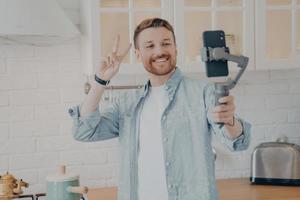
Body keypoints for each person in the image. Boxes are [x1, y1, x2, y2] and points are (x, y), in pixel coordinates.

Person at [68, 18, 251, 200]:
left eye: (166, 43)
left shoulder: (203, 93)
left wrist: (230, 120)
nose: (160, 51)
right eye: (150, 46)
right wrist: (101, 80)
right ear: (138, 55)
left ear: (175, 48)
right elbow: (83, 131)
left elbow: (238, 142)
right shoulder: (127, 104)